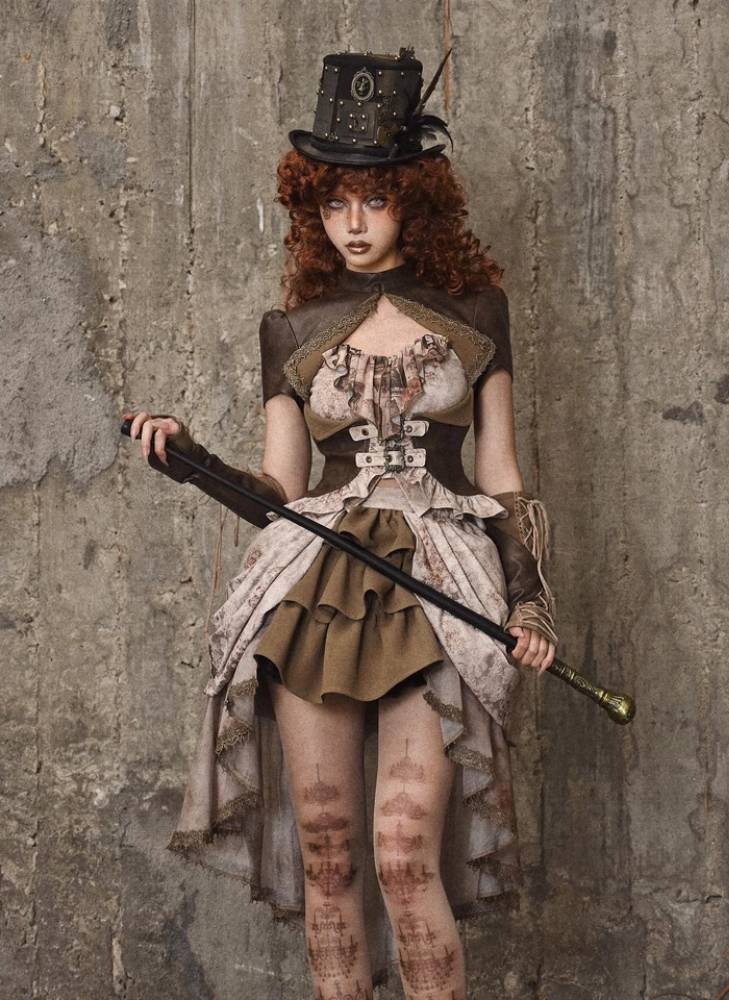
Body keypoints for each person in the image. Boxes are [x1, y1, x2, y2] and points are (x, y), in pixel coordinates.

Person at [123, 46, 558, 999]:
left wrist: (529, 603)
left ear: (415, 203)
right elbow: (277, 492)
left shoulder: (477, 313)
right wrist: (190, 457)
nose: (352, 224)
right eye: (333, 204)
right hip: (312, 585)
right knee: (327, 850)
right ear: (312, 208)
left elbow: (502, 476)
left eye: (375, 200)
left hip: (438, 581)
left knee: (403, 853)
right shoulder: (291, 327)